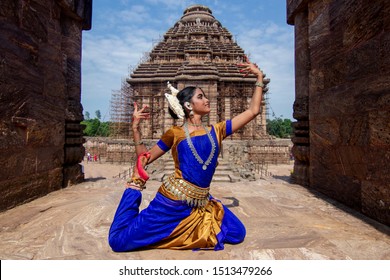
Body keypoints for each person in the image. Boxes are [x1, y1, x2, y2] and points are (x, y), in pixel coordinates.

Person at [108, 56, 265, 251]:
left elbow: (253, 110)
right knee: (119, 242)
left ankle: (189, 230)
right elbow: (145, 159)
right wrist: (135, 129)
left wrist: (258, 77)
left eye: (205, 96)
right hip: (171, 203)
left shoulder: (217, 130)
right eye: (201, 96)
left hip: (200, 203)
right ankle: (133, 206)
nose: (207, 99)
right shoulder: (175, 133)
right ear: (188, 106)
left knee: (237, 233)